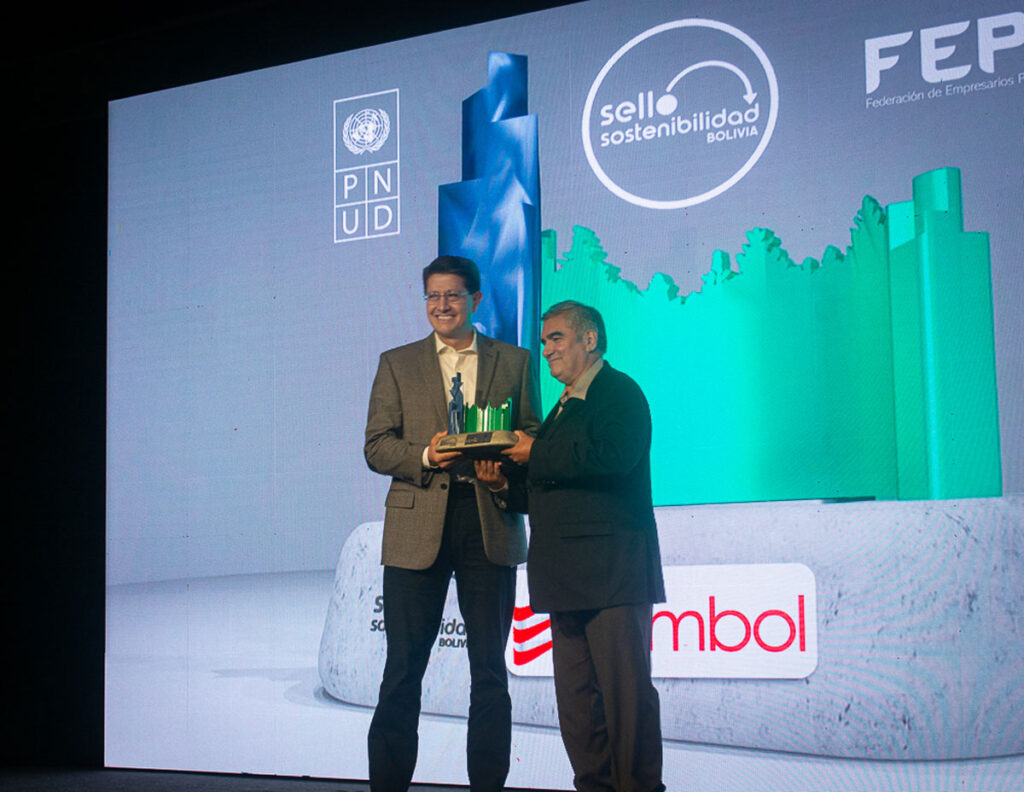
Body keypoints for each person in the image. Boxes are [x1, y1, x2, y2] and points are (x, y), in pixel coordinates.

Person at [364, 255, 541, 792]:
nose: (442, 305)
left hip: (488, 520)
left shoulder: (514, 361)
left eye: (453, 295)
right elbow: (377, 446)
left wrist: (503, 472)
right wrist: (425, 455)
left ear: (475, 300)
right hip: (417, 524)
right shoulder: (397, 362)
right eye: (433, 296)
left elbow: (531, 435)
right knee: (402, 669)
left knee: (489, 669)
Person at [476, 300, 665, 792]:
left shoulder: (619, 392)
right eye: (543, 341)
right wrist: (503, 485)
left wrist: (536, 450)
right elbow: (553, 489)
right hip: (565, 578)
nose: (546, 350)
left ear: (590, 339)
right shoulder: (562, 407)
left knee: (625, 701)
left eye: (556, 338)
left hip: (613, 575)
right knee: (578, 708)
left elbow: (613, 458)